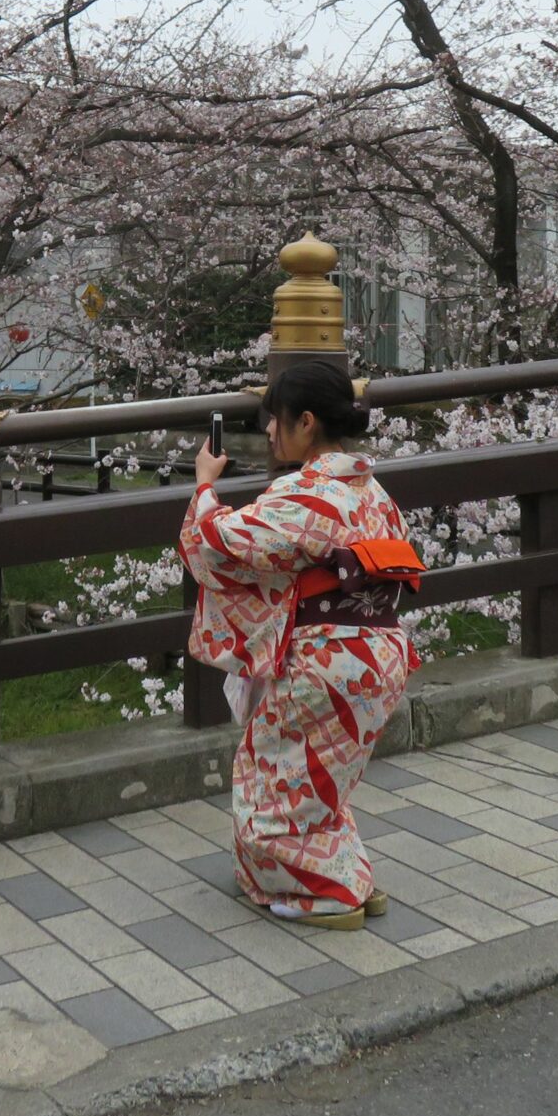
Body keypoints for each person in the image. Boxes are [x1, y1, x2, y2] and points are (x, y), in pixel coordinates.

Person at [184, 359, 418, 929]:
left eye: (276, 419)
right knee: (322, 782)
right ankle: (351, 878)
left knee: (273, 778)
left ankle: (327, 894)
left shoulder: (306, 491)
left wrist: (204, 487)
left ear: (306, 422)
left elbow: (216, 544)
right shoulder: (371, 488)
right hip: (380, 653)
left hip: (326, 662)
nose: (268, 431)